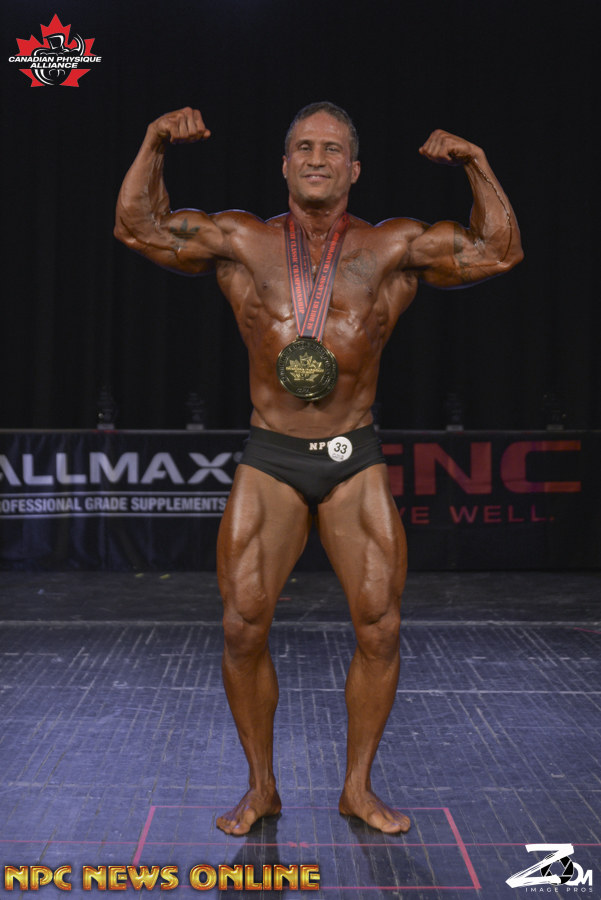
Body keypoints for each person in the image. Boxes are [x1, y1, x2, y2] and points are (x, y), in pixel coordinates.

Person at [114, 102, 523, 836]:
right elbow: (137, 228)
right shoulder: (243, 240)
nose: (315, 158)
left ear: (353, 169)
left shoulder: (390, 246)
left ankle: (357, 788)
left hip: (348, 455)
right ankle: (260, 787)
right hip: (272, 453)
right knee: (242, 626)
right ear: (284, 164)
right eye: (303, 147)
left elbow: (498, 252)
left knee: (380, 627)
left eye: (331, 149)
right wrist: (154, 143)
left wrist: (476, 162)